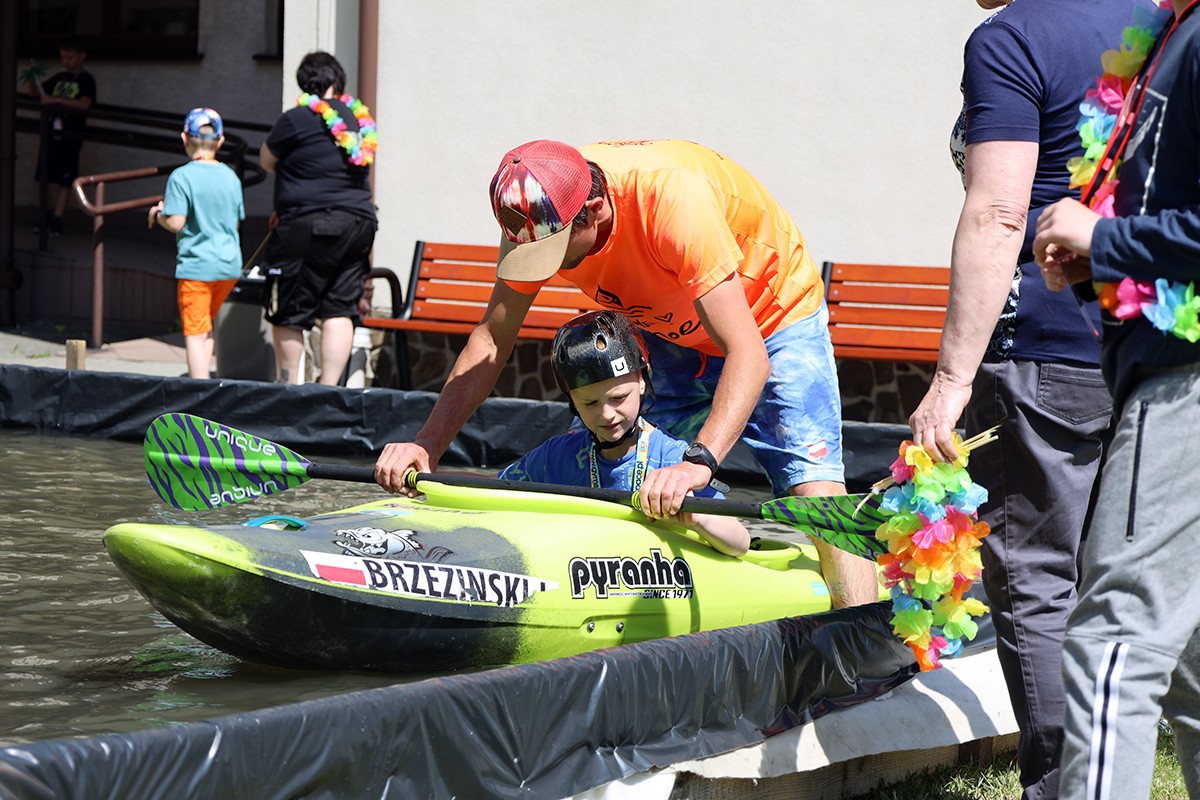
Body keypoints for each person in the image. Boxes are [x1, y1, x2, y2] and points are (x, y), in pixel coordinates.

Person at [375, 138, 877, 608]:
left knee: (813, 493)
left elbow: (748, 354)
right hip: (665, 322)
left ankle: (864, 636)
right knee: (610, 477)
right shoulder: (534, 209)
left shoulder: (673, 203)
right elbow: (491, 339)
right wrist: (428, 445)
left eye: (554, 252)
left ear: (594, 210)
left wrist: (698, 462)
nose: (545, 267)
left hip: (770, 316)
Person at [906, 1, 1126, 796]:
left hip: (1043, 352)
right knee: (1132, 583)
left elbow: (1000, 212)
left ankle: (1068, 787)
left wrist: (951, 379)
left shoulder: (1013, 38)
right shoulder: (1154, 21)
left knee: (1037, 576)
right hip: (1148, 342)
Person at [1032, 1, 1200, 797]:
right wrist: (1100, 258)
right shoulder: (1170, 30)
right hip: (1163, 367)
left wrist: (1104, 239)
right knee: (1191, 660)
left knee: (1114, 641)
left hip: (1184, 386)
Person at [499, 310, 750, 558]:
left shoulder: (673, 460)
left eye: (618, 398)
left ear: (642, 380)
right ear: (572, 401)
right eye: (590, 403)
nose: (607, 414)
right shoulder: (553, 457)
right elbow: (497, 492)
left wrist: (698, 517)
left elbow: (741, 543)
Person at [259, 50, 378, 385]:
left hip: (307, 224)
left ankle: (289, 387)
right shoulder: (359, 121)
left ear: (305, 83)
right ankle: (328, 392)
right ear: (338, 80)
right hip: (358, 224)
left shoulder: (296, 118)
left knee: (288, 311)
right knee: (339, 308)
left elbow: (266, 159)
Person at [147, 108, 244, 380]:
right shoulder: (231, 177)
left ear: (184, 138)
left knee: (194, 333)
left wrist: (157, 214)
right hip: (228, 266)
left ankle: (200, 394)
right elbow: (236, 223)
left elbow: (176, 222)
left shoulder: (182, 177)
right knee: (206, 326)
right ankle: (205, 385)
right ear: (220, 141)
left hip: (197, 267)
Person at [23, 35, 96, 237]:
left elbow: (85, 104)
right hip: (51, 133)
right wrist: (32, 78)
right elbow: (37, 94)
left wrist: (57, 101)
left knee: (65, 178)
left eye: (69, 57)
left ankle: (57, 218)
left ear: (82, 56)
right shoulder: (59, 77)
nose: (65, 61)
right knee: (43, 176)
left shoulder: (86, 80)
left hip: (70, 135)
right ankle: (46, 213)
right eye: (63, 57)